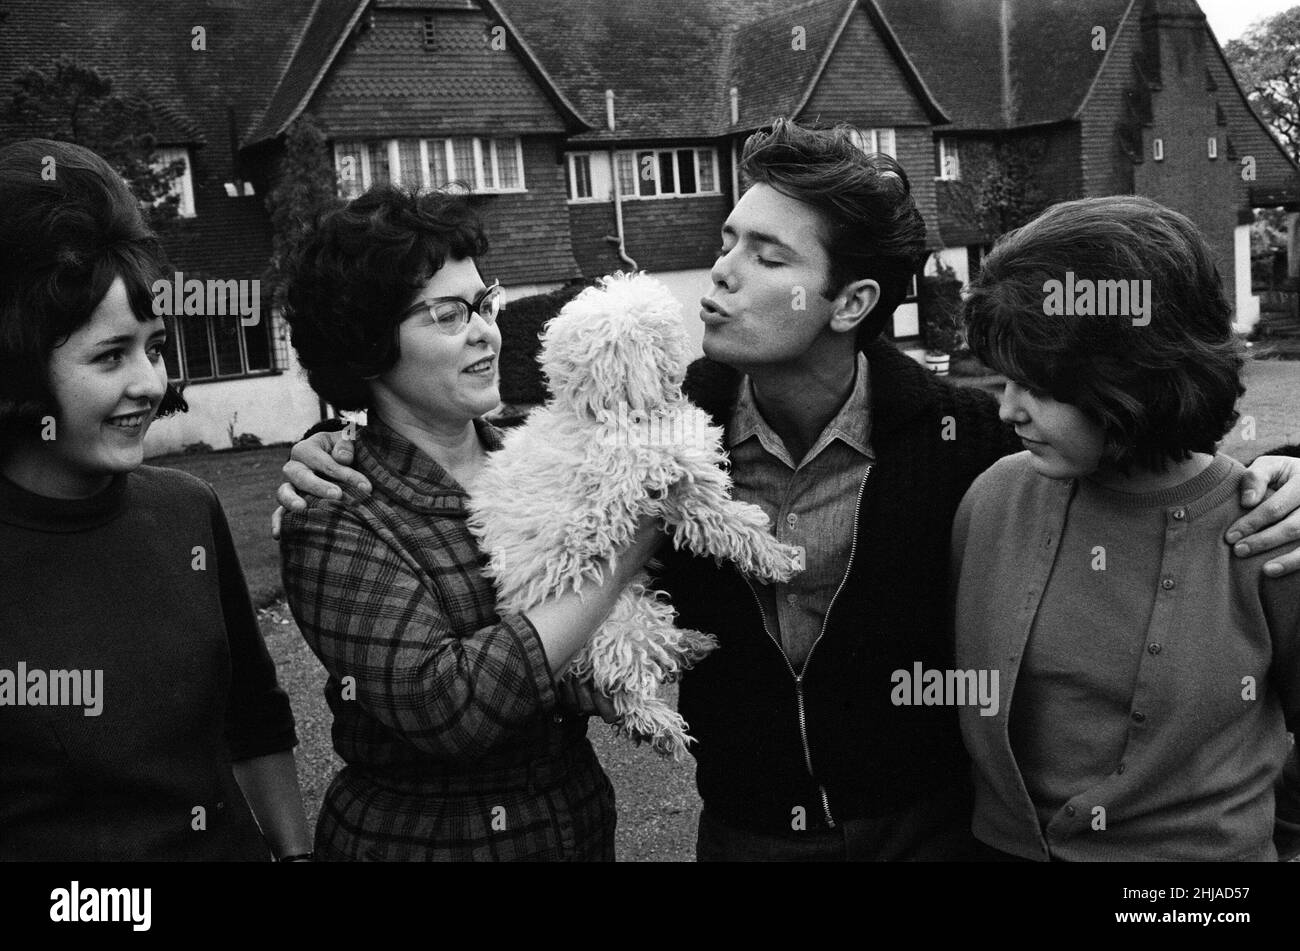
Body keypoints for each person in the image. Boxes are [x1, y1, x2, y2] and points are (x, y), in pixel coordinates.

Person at [275, 119, 1300, 861]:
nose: (718, 275)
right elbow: (506, 490)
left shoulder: (977, 447)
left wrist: (1279, 478)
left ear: (850, 300)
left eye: (765, 255)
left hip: (935, 842)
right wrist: (332, 441)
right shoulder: (649, 444)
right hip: (743, 836)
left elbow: (1148, 456)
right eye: (725, 242)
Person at [275, 185, 659, 861]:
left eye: (484, 303)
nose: (486, 329)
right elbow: (444, 705)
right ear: (369, 346)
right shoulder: (337, 508)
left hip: (572, 827)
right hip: (427, 843)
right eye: (449, 316)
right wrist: (620, 558)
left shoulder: (534, 452)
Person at [952, 195, 1300, 861]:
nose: (1007, 410)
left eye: (1041, 387)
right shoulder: (992, 501)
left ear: (1137, 375)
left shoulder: (1266, 527)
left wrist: (1273, 840)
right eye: (1005, 379)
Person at [0, 139, 311, 861]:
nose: (151, 383)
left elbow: (255, 719)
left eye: (156, 346)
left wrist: (295, 856)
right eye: (110, 356)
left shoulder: (186, 510)